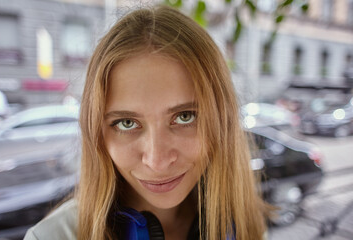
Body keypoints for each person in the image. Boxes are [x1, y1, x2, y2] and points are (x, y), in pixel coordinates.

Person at [24, 5, 268, 240]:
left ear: (222, 122)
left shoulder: (247, 225)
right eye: (127, 123)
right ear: (96, 132)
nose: (157, 161)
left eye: (185, 117)